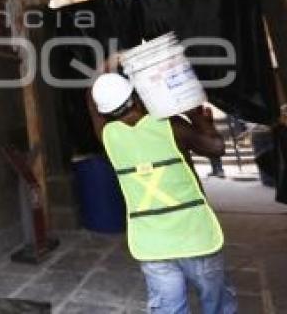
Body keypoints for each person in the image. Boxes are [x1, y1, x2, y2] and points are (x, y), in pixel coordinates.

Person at [88, 73, 237, 314]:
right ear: (136, 97)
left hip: (152, 243)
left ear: (104, 111)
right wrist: (192, 111)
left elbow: (92, 106)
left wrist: (101, 70)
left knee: (169, 309)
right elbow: (217, 147)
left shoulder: (109, 137)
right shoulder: (170, 126)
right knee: (217, 304)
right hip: (195, 237)